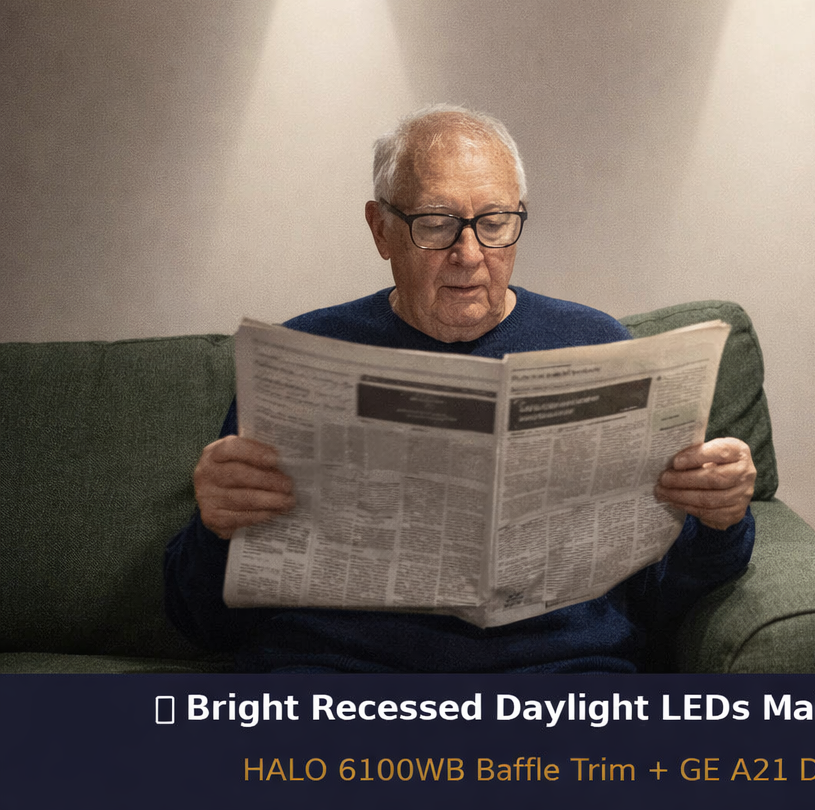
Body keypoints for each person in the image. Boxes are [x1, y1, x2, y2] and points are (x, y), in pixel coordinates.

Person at [163, 104, 756, 672]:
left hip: (556, 678)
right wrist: (214, 530)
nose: (469, 255)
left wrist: (721, 520)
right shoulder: (299, 361)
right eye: (437, 224)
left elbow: (661, 600)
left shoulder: (599, 347)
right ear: (381, 230)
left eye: (495, 222)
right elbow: (201, 623)